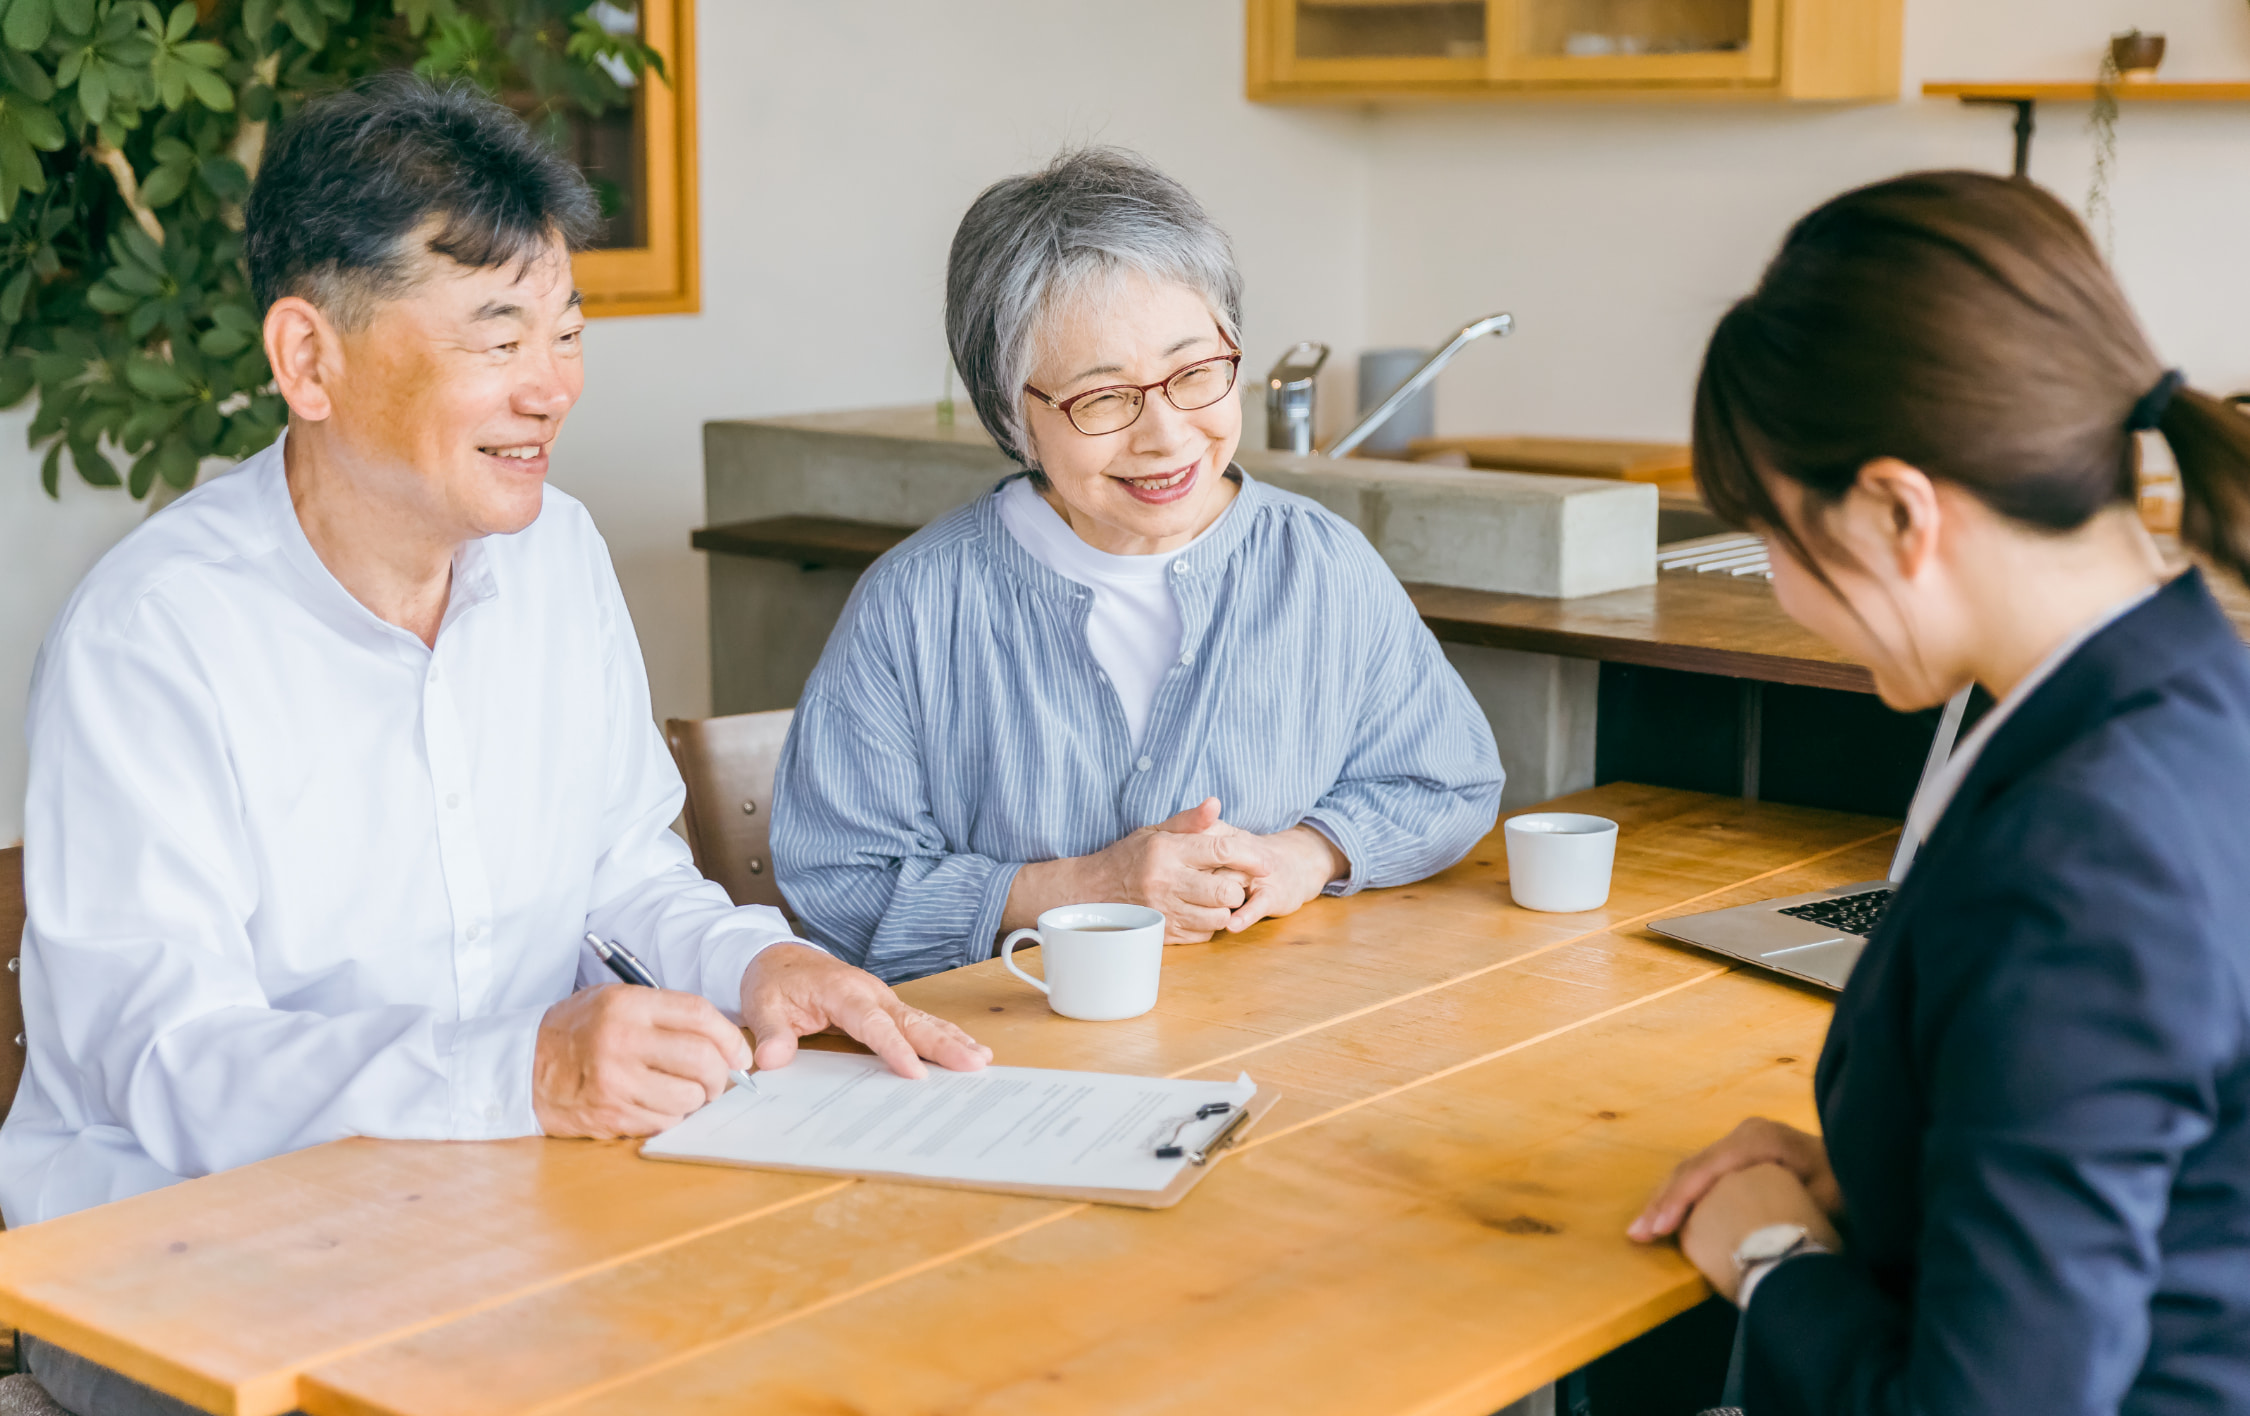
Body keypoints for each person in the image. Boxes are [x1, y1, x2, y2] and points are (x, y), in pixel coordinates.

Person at [4, 74, 989, 1414]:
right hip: (172, 1258)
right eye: (497, 333)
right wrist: (522, 1072)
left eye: (567, 331)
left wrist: (762, 962)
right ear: (309, 359)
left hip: (488, 1198)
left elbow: (623, 878)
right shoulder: (154, 633)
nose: (552, 388)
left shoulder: (557, 559)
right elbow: (175, 1065)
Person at [1627, 170, 2250, 1414]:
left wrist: (1773, 1259)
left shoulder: (2080, 852)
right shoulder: (2191, 688)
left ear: (1898, 510)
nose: (1790, 595)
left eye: (1777, 543)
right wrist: (1895, 1176)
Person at [771, 149, 1503, 982]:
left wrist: (1305, 857)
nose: (1164, 435)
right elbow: (841, 888)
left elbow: (1446, 781)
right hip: (1016, 1057)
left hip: (1281, 1033)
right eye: (1104, 397)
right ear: (1013, 417)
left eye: (1194, 373)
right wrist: (1090, 886)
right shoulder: (918, 603)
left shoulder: (1321, 566)